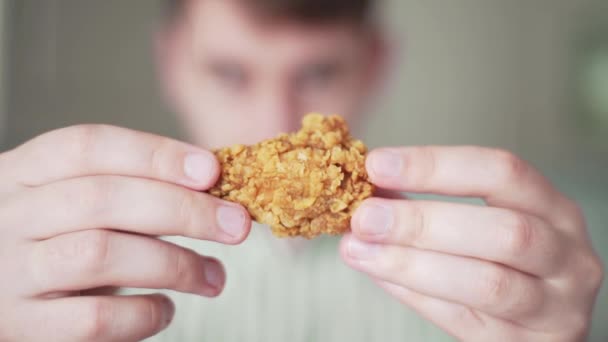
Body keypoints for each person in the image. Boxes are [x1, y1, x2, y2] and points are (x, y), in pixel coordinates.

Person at [0, 0, 603, 341]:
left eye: (317, 74)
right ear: (170, 63)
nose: (276, 123)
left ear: (377, 66)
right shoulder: (56, 265)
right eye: (230, 73)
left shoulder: (508, 272)